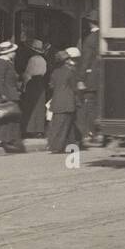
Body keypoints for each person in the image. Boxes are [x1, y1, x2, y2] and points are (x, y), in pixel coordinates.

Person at [46, 47, 82, 154]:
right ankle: (56, 146)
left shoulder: (55, 72)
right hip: (68, 101)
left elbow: (52, 85)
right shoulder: (71, 72)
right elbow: (74, 87)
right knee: (65, 125)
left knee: (62, 124)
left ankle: (70, 145)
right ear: (66, 60)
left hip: (57, 101)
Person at [75, 10, 102, 146]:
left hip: (91, 78)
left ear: (91, 23)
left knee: (89, 106)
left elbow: (85, 60)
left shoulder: (90, 39)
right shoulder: (103, 37)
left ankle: (91, 132)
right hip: (103, 78)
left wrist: (81, 78)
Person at [20, 39, 49, 138]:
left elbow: (28, 74)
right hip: (40, 83)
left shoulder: (32, 59)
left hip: (32, 83)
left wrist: (23, 85)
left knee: (30, 105)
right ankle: (39, 129)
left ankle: (30, 129)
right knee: (39, 106)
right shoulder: (43, 60)